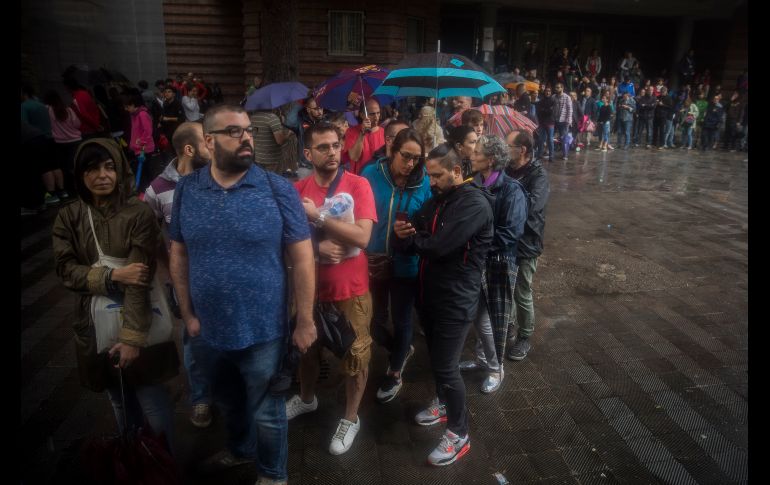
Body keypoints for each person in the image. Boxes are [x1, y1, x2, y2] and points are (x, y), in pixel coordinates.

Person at [169, 105, 316, 483]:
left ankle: (272, 474)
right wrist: (187, 315)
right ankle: (239, 450)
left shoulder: (277, 188)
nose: (246, 137)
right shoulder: (187, 190)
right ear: (208, 141)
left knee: (268, 412)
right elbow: (179, 253)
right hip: (207, 331)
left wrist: (305, 320)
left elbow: (302, 258)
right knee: (229, 403)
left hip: (264, 331)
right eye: (233, 131)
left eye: (248, 130)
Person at [52, 138, 179, 452]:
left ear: (120, 169)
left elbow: (140, 278)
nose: (102, 175)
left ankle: (167, 467)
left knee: (152, 402)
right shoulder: (69, 216)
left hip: (140, 318)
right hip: (94, 324)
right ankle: (137, 462)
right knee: (119, 402)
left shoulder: (138, 213)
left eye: (109, 167)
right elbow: (66, 270)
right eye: (92, 169)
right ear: (80, 175)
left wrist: (133, 339)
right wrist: (111, 275)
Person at [393, 144, 493, 466]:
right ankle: (443, 402)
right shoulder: (438, 200)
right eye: (430, 175)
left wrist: (414, 240)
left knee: (447, 367)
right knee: (438, 362)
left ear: (457, 172)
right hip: (431, 295)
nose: (431, 182)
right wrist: (403, 232)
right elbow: (412, 234)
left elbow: (439, 246)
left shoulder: (474, 203)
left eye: (438, 175)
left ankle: (459, 433)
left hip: (456, 300)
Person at [287, 122, 377, 456]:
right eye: (323, 147)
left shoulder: (358, 184)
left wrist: (321, 221)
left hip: (350, 291)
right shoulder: (297, 190)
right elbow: (284, 244)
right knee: (306, 350)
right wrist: (315, 249)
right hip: (308, 291)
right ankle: (307, 399)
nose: (333, 152)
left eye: (336, 145)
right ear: (308, 153)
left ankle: (350, 418)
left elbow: (363, 237)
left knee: (357, 356)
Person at [144, 122, 213, 428]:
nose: (212, 146)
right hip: (185, 281)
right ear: (189, 149)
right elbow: (148, 233)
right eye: (206, 141)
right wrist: (168, 267)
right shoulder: (157, 190)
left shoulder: (216, 178)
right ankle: (201, 398)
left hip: (220, 277)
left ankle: (225, 391)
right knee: (193, 338)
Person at [361, 128, 431, 403]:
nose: (411, 164)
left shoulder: (424, 181)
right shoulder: (371, 174)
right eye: (406, 156)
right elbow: (359, 213)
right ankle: (400, 349)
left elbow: (429, 222)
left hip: (406, 263)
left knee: (402, 320)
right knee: (375, 322)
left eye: (416, 158)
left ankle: (395, 370)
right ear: (392, 150)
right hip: (375, 261)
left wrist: (415, 229)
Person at [460, 135, 527, 393]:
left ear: (490, 160)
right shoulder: (473, 184)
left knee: (488, 320)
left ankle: (496, 367)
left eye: (476, 152)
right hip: (477, 262)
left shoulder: (511, 190)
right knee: (479, 316)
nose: (471, 155)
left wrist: (475, 243)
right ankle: (484, 359)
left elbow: (510, 233)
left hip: (498, 264)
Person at [504, 130, 550, 361]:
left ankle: (525, 336)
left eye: (508, 145)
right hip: (506, 239)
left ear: (521, 150)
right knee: (507, 287)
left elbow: (532, 205)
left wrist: (506, 200)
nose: (504, 148)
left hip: (527, 242)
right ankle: (509, 324)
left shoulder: (538, 175)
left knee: (522, 290)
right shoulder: (507, 169)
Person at [43, 89, 80, 198]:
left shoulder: (47, 110)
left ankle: (69, 190)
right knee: (76, 166)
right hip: (75, 140)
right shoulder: (68, 110)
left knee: (64, 168)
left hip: (59, 143)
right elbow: (77, 124)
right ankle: (80, 187)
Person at [344, 98, 385, 175]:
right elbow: (354, 157)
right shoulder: (351, 131)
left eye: (378, 113)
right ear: (362, 115)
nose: (376, 117)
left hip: (379, 177)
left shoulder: (384, 132)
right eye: (372, 114)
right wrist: (362, 133)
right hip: (360, 177)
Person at [534, 86, 556, 160]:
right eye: (546, 91)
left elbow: (552, 112)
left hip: (550, 122)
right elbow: (538, 112)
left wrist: (544, 110)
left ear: (551, 92)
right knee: (541, 139)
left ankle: (551, 156)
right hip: (542, 122)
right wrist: (546, 110)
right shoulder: (541, 101)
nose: (547, 92)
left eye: (549, 91)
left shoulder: (553, 101)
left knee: (550, 139)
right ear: (544, 92)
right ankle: (539, 155)